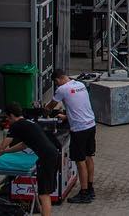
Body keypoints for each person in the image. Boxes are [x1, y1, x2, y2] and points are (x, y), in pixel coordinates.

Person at [0, 103, 59, 216]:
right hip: (52, 154)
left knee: (44, 194)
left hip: (46, 158)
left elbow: (1, 146)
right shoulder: (28, 122)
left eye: (8, 118)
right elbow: (23, 145)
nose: (8, 121)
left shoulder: (16, 126)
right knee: (44, 192)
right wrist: (6, 152)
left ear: (12, 115)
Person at [46, 71, 97, 203]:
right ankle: (90, 188)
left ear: (58, 80)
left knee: (80, 161)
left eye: (56, 83)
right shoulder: (80, 84)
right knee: (88, 157)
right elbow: (78, 107)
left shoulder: (62, 89)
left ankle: (84, 193)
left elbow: (50, 107)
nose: (57, 85)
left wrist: (44, 111)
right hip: (91, 124)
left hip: (79, 129)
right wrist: (66, 116)